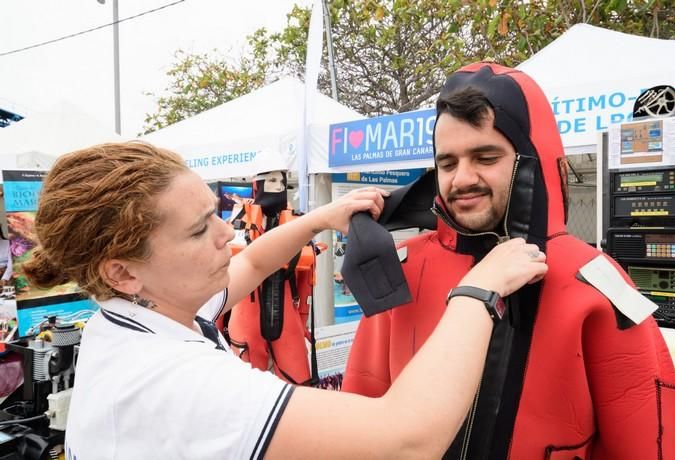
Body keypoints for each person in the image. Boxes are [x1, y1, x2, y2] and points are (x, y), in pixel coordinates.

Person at [23, 141, 546, 459]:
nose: (226, 235)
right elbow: (406, 441)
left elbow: (249, 265)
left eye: (217, 213)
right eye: (197, 230)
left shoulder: (136, 315)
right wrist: (479, 290)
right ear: (122, 271)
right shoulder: (177, 383)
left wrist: (319, 218)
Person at [342, 62, 675, 459]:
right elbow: (361, 416)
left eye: (485, 157)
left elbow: (648, 441)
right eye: (448, 163)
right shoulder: (400, 269)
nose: (462, 178)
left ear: (531, 161)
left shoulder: (596, 283)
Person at [225, 168, 319, 385]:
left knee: (299, 382)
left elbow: (307, 279)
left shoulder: (297, 224)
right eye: (272, 181)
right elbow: (223, 276)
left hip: (287, 316)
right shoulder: (238, 221)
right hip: (246, 317)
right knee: (245, 388)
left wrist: (303, 319)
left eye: (282, 181)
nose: (279, 186)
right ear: (257, 185)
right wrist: (217, 322)